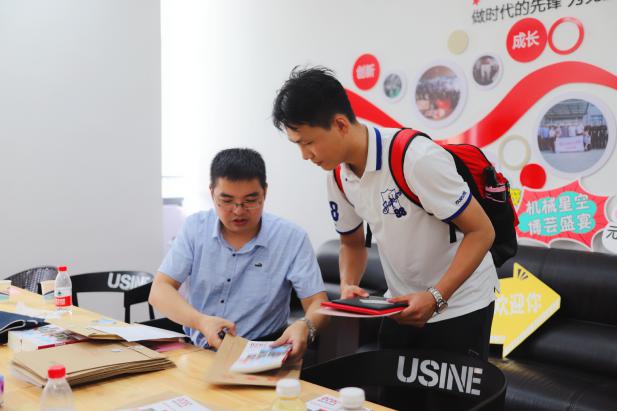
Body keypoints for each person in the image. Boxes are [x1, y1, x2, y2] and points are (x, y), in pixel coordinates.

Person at [272, 67, 498, 409]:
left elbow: (482, 232)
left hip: (460, 306)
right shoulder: (338, 176)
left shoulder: (415, 159)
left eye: (308, 142)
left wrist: (436, 296)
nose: (305, 155)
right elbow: (351, 243)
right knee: (392, 403)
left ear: (340, 124)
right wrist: (348, 284)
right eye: (298, 145)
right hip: (400, 308)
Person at [149, 148, 328, 360]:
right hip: (198, 352)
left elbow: (318, 302)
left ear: (265, 192)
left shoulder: (291, 238)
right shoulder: (195, 228)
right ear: (212, 193)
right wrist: (201, 321)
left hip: (263, 354)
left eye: (250, 200)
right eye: (227, 201)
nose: (238, 211)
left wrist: (305, 325)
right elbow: (160, 290)